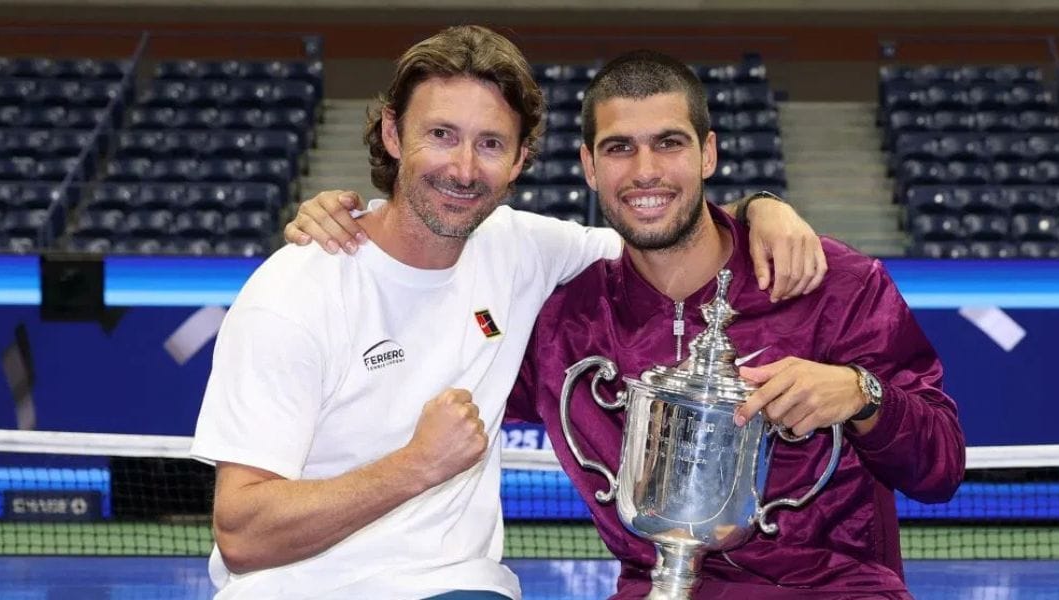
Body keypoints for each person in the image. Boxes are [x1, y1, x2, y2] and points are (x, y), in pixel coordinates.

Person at [288, 50, 967, 599]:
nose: (645, 172)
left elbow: (940, 467)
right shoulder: (559, 319)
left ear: (707, 154)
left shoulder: (831, 283)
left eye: (668, 144)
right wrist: (365, 221)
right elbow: (424, 317)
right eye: (619, 149)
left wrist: (861, 395)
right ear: (588, 167)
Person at [192, 26, 825, 600]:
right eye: (441, 135)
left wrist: (762, 207)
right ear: (393, 134)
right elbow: (244, 536)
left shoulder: (522, 249)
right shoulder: (296, 290)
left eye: (490, 143)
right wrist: (416, 466)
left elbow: (665, 228)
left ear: (520, 160)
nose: (463, 169)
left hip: (456, 586)